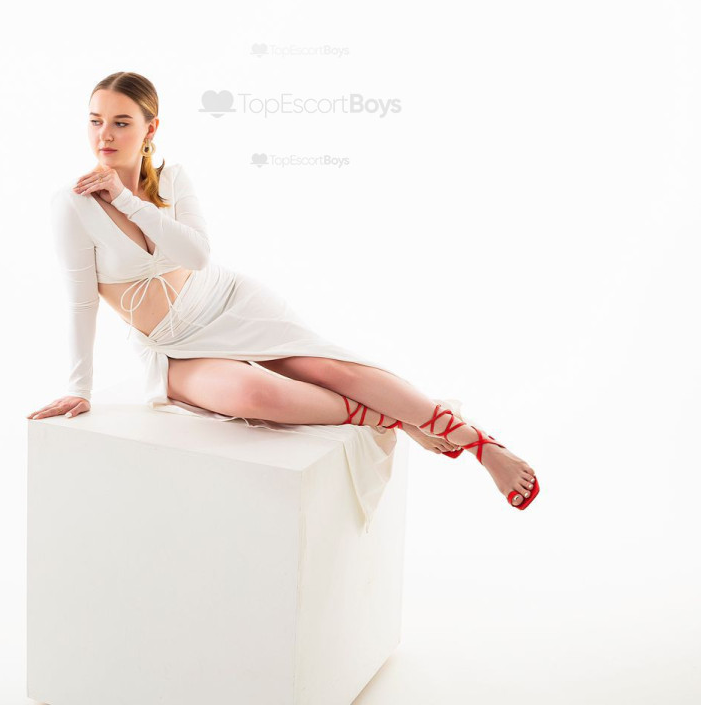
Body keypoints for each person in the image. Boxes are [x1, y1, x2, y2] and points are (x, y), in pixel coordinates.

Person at [27, 71, 539, 511]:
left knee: (331, 370)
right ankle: (401, 419)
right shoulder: (71, 205)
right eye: (95, 120)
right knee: (256, 394)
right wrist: (80, 388)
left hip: (226, 301)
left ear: (150, 129)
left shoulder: (173, 179)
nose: (104, 135)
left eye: (121, 122)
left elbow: (197, 255)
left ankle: (479, 444)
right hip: (171, 346)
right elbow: (81, 299)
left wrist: (126, 198)